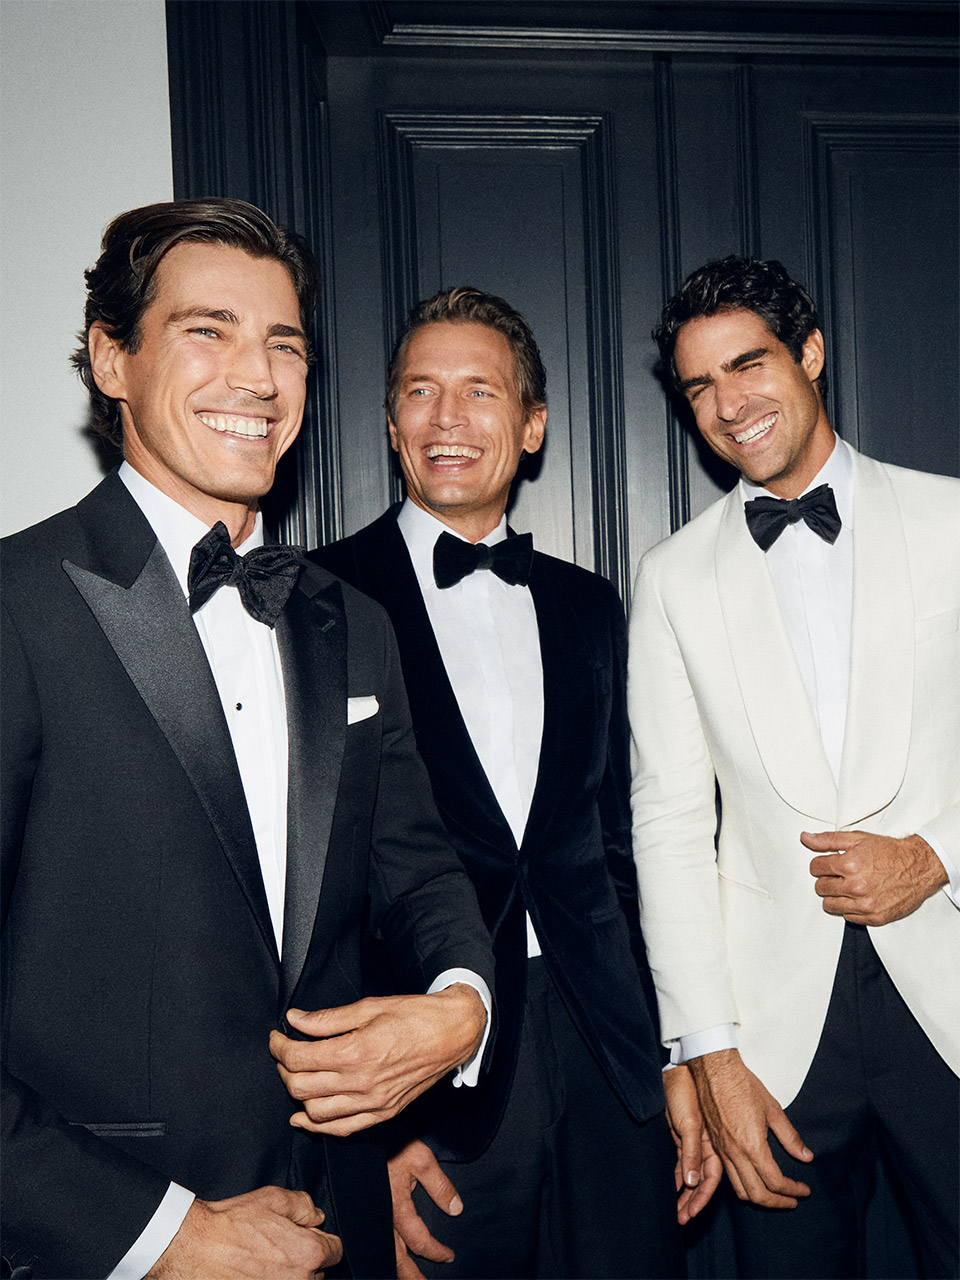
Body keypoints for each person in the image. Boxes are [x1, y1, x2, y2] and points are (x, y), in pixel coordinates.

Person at [0, 200, 497, 1280]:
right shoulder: (16, 605)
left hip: (343, 1220)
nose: (259, 377)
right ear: (111, 359)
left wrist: (462, 1008)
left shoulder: (352, 621)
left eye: (285, 344)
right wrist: (159, 1234)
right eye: (207, 330)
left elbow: (418, 869)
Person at [312, 287, 691, 1280]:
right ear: (391, 422)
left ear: (531, 427)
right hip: (429, 1069)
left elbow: (621, 847)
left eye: (480, 391)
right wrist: (366, 1133)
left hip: (609, 1048)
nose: (447, 418)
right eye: (420, 392)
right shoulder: (313, 599)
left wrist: (675, 1053)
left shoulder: (589, 605)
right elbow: (306, 891)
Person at [629, 255, 959, 1278]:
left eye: (749, 364)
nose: (729, 405)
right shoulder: (674, 577)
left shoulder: (953, 522)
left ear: (811, 353)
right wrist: (708, 1048)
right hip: (775, 1036)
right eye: (700, 387)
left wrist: (938, 855)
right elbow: (670, 822)